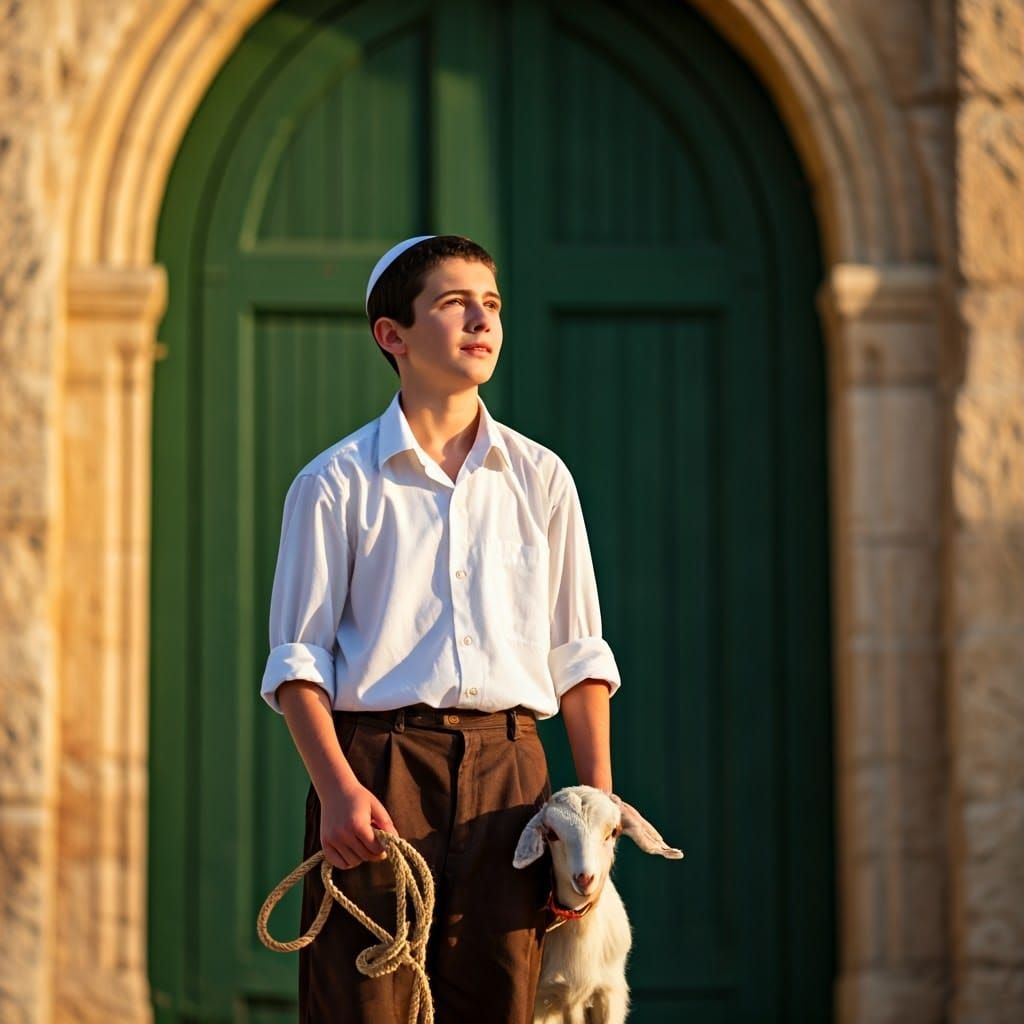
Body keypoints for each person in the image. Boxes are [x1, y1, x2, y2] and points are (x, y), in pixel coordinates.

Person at [260, 234, 621, 1023]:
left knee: (503, 1002)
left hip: (512, 779)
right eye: (455, 304)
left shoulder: (542, 479)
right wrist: (337, 792)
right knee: (365, 1004)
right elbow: (297, 664)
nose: (481, 321)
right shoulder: (334, 484)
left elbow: (579, 654)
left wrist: (597, 806)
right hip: (377, 777)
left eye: (491, 304)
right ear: (392, 334)